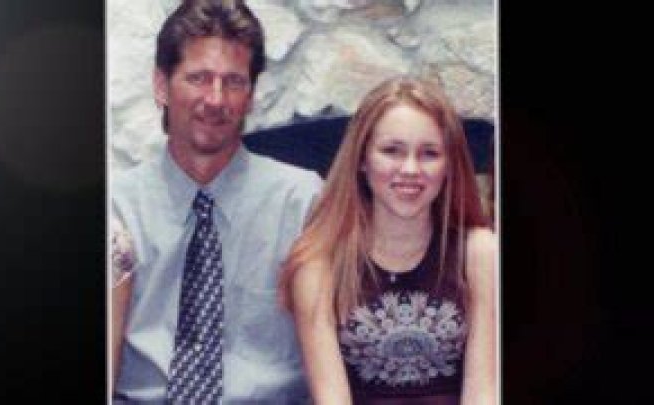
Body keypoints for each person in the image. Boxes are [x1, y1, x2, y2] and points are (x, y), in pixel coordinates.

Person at [110, 0, 322, 402]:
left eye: (234, 82)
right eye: (199, 78)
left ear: (251, 95)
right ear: (161, 85)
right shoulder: (115, 209)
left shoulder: (301, 203)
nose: (216, 99)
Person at [279, 77, 497, 404]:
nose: (410, 169)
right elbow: (331, 398)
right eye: (392, 151)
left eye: (429, 153)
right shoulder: (317, 263)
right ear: (362, 159)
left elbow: (484, 392)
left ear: (449, 165)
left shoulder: (481, 253)